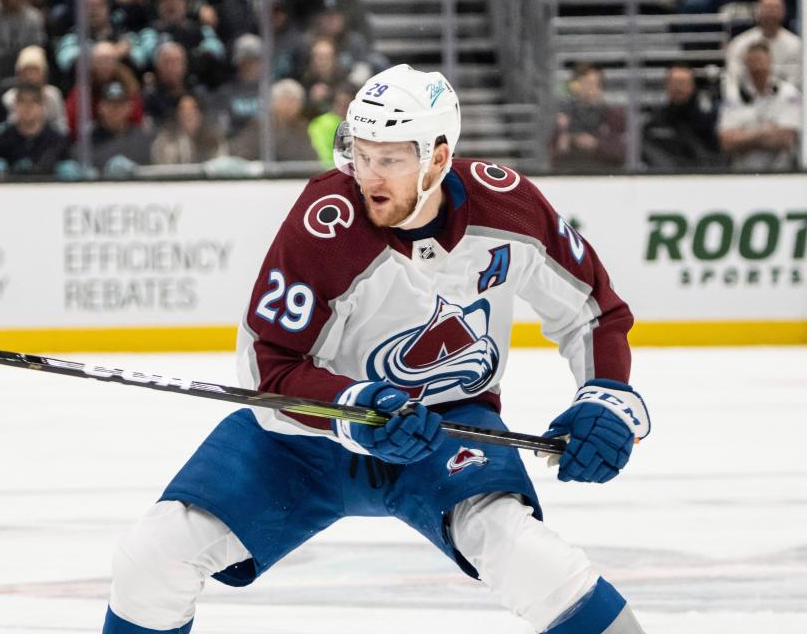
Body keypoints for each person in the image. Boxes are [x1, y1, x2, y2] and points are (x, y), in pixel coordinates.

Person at [101, 64, 651, 634]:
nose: (368, 176)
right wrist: (354, 405)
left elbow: (594, 309)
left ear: (438, 159)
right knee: (152, 559)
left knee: (536, 564)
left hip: (442, 431)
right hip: (305, 438)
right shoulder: (325, 223)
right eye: (360, 154)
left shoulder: (508, 206)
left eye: (389, 159)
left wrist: (606, 396)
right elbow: (269, 367)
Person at [719, 41, 801, 171]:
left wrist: (744, 137)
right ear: (746, 64)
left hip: (782, 173)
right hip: (741, 173)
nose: (757, 67)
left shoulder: (788, 93)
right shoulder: (733, 95)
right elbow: (727, 142)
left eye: (760, 61)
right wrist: (766, 132)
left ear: (770, 62)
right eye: (752, 62)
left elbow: (786, 138)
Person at [641, 63, 722, 169]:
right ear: (666, 85)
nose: (678, 88)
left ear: (692, 85)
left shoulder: (708, 120)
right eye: (674, 83)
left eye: (683, 83)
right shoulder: (654, 123)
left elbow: (715, 154)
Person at [550, 62, 626, 172]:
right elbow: (554, 156)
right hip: (571, 174)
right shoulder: (565, 116)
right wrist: (564, 133)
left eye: (593, 84)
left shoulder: (612, 115)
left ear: (601, 87)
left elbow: (622, 152)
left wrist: (596, 144)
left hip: (605, 175)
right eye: (584, 83)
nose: (589, 89)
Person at [0, 83, 71, 177]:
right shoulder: (0, 138)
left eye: (34, 102)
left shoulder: (57, 140)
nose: (27, 107)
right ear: (15, 106)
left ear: (42, 106)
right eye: (22, 102)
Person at [724, 0, 801, 91]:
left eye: (775, 8)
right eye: (767, 8)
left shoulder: (796, 45)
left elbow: (797, 80)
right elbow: (733, 77)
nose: (771, 12)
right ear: (758, 10)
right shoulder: (740, 43)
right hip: (748, 100)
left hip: (786, 101)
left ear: (784, 11)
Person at [230, 77, 319, 162]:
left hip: (294, 175)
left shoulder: (302, 126)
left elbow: (310, 157)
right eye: (286, 100)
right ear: (273, 102)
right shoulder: (261, 124)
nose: (289, 105)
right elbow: (241, 152)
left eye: (295, 100)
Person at [1, 45, 69, 136]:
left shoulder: (53, 94)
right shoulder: (9, 97)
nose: (30, 76)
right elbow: (9, 127)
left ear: (43, 73)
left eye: (35, 71)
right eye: (26, 71)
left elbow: (61, 125)